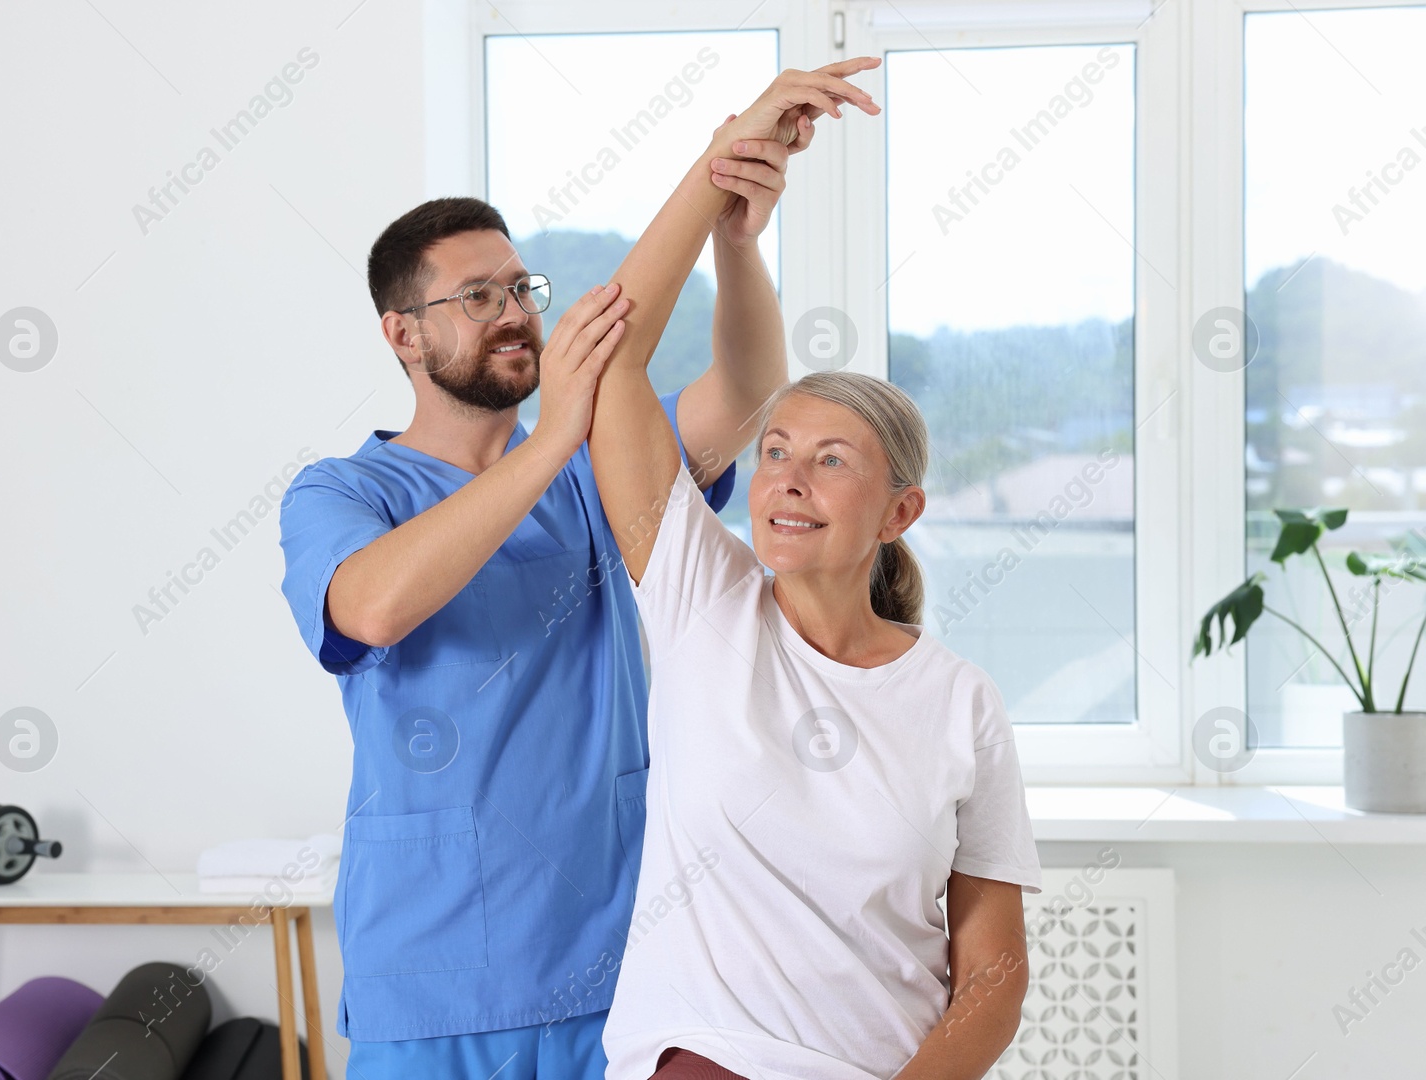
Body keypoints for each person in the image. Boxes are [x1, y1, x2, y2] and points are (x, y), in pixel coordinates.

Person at [275, 70, 832, 1078]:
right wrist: (551, 440)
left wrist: (735, 243)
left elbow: (747, 392)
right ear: (403, 333)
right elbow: (372, 606)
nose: (514, 313)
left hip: (611, 973)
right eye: (475, 296)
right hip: (432, 984)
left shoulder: (588, 474)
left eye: (520, 290)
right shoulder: (341, 492)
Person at [547, 58, 1045, 1080]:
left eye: (829, 461)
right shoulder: (701, 597)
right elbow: (612, 360)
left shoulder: (960, 703)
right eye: (774, 452)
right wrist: (725, 183)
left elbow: (991, 975)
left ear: (899, 512)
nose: (785, 480)